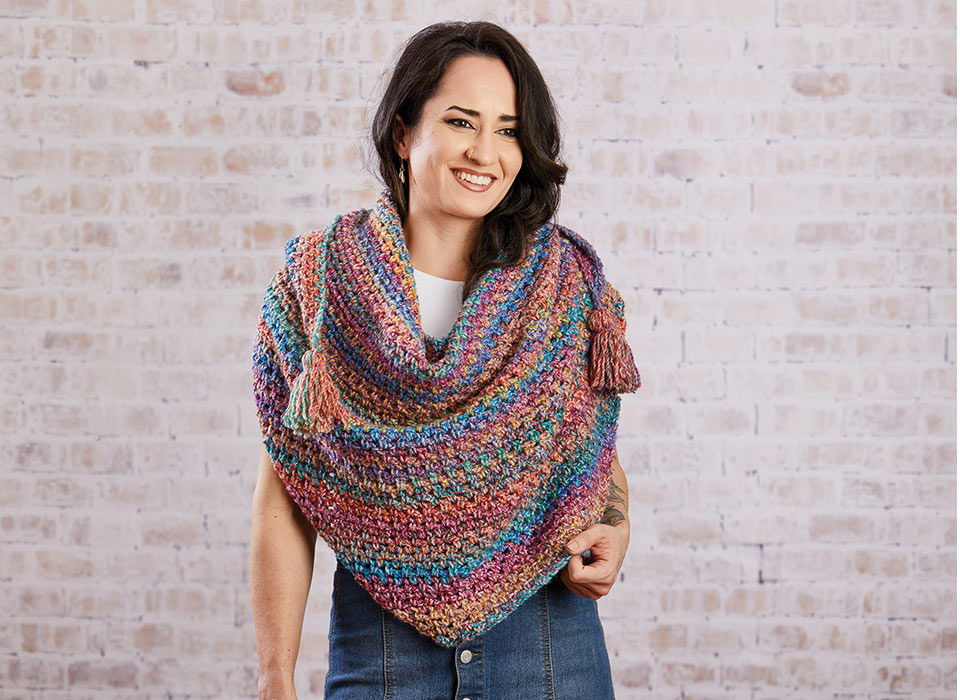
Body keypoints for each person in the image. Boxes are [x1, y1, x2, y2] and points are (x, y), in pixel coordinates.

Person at [250, 20, 640, 700]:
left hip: (548, 644)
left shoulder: (562, 283)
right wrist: (274, 673)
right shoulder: (322, 283)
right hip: (383, 650)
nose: (485, 152)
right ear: (404, 133)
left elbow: (587, 451)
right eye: (461, 121)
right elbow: (286, 491)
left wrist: (616, 526)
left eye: (509, 130)